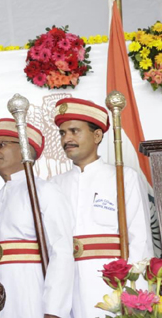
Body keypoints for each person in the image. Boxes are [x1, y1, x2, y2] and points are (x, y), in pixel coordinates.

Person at [49, 97, 153, 318]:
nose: (66, 138)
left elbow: (140, 239)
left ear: (97, 136)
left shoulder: (123, 177)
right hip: (67, 285)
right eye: (62, 133)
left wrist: (133, 295)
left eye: (74, 131)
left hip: (111, 285)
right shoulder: (53, 186)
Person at [0, 118, 74, 318]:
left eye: (1, 145)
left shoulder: (45, 190)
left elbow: (62, 250)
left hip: (32, 292)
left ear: (24, 150)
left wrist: (54, 309)